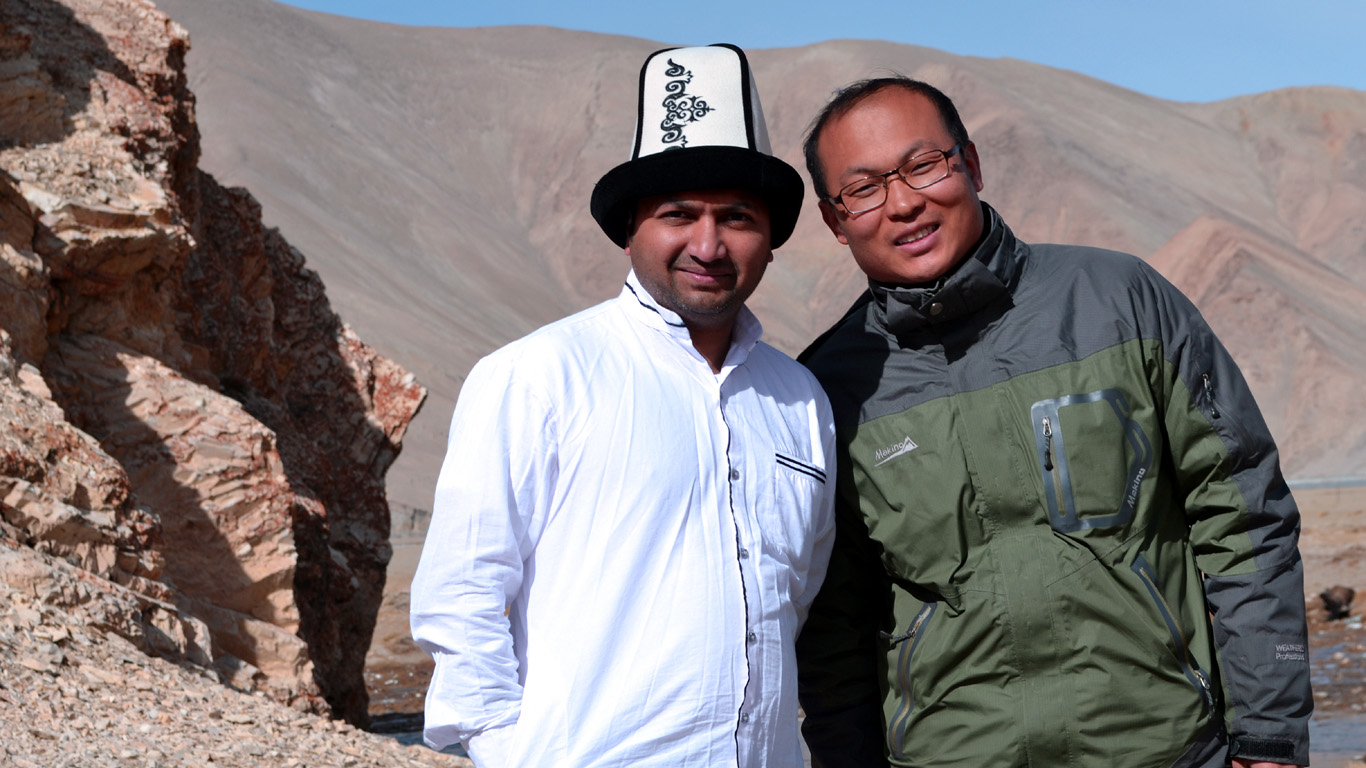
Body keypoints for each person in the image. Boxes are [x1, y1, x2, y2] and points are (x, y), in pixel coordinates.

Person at [794, 77, 1311, 768]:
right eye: (864, 188)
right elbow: (836, 630)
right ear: (835, 221)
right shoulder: (831, 388)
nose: (904, 201)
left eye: (924, 166)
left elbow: (1243, 515)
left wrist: (1270, 732)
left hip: (1166, 751)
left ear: (970, 165)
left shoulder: (1121, 303)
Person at [409, 44, 836, 768]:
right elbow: (464, 596)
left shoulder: (800, 400)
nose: (708, 244)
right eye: (678, 214)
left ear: (770, 240)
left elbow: (800, 601)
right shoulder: (538, 376)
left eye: (737, 216)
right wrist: (510, 752)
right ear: (631, 228)